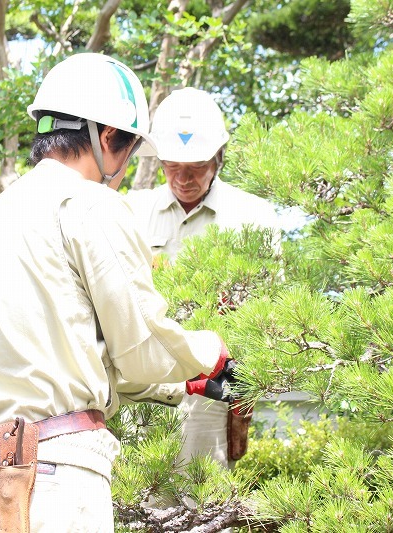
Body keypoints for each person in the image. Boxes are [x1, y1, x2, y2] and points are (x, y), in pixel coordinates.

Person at [0, 53, 234, 533]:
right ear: (106, 138)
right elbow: (143, 347)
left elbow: (54, 353)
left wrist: (180, 384)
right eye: (125, 152)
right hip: (55, 476)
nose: (121, 169)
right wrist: (210, 352)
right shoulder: (90, 204)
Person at [126, 87, 280, 469]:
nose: (183, 178)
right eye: (172, 166)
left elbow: (269, 311)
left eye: (195, 166)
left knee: (201, 503)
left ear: (218, 158)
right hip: (141, 387)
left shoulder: (253, 216)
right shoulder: (131, 210)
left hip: (211, 389)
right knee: (137, 502)